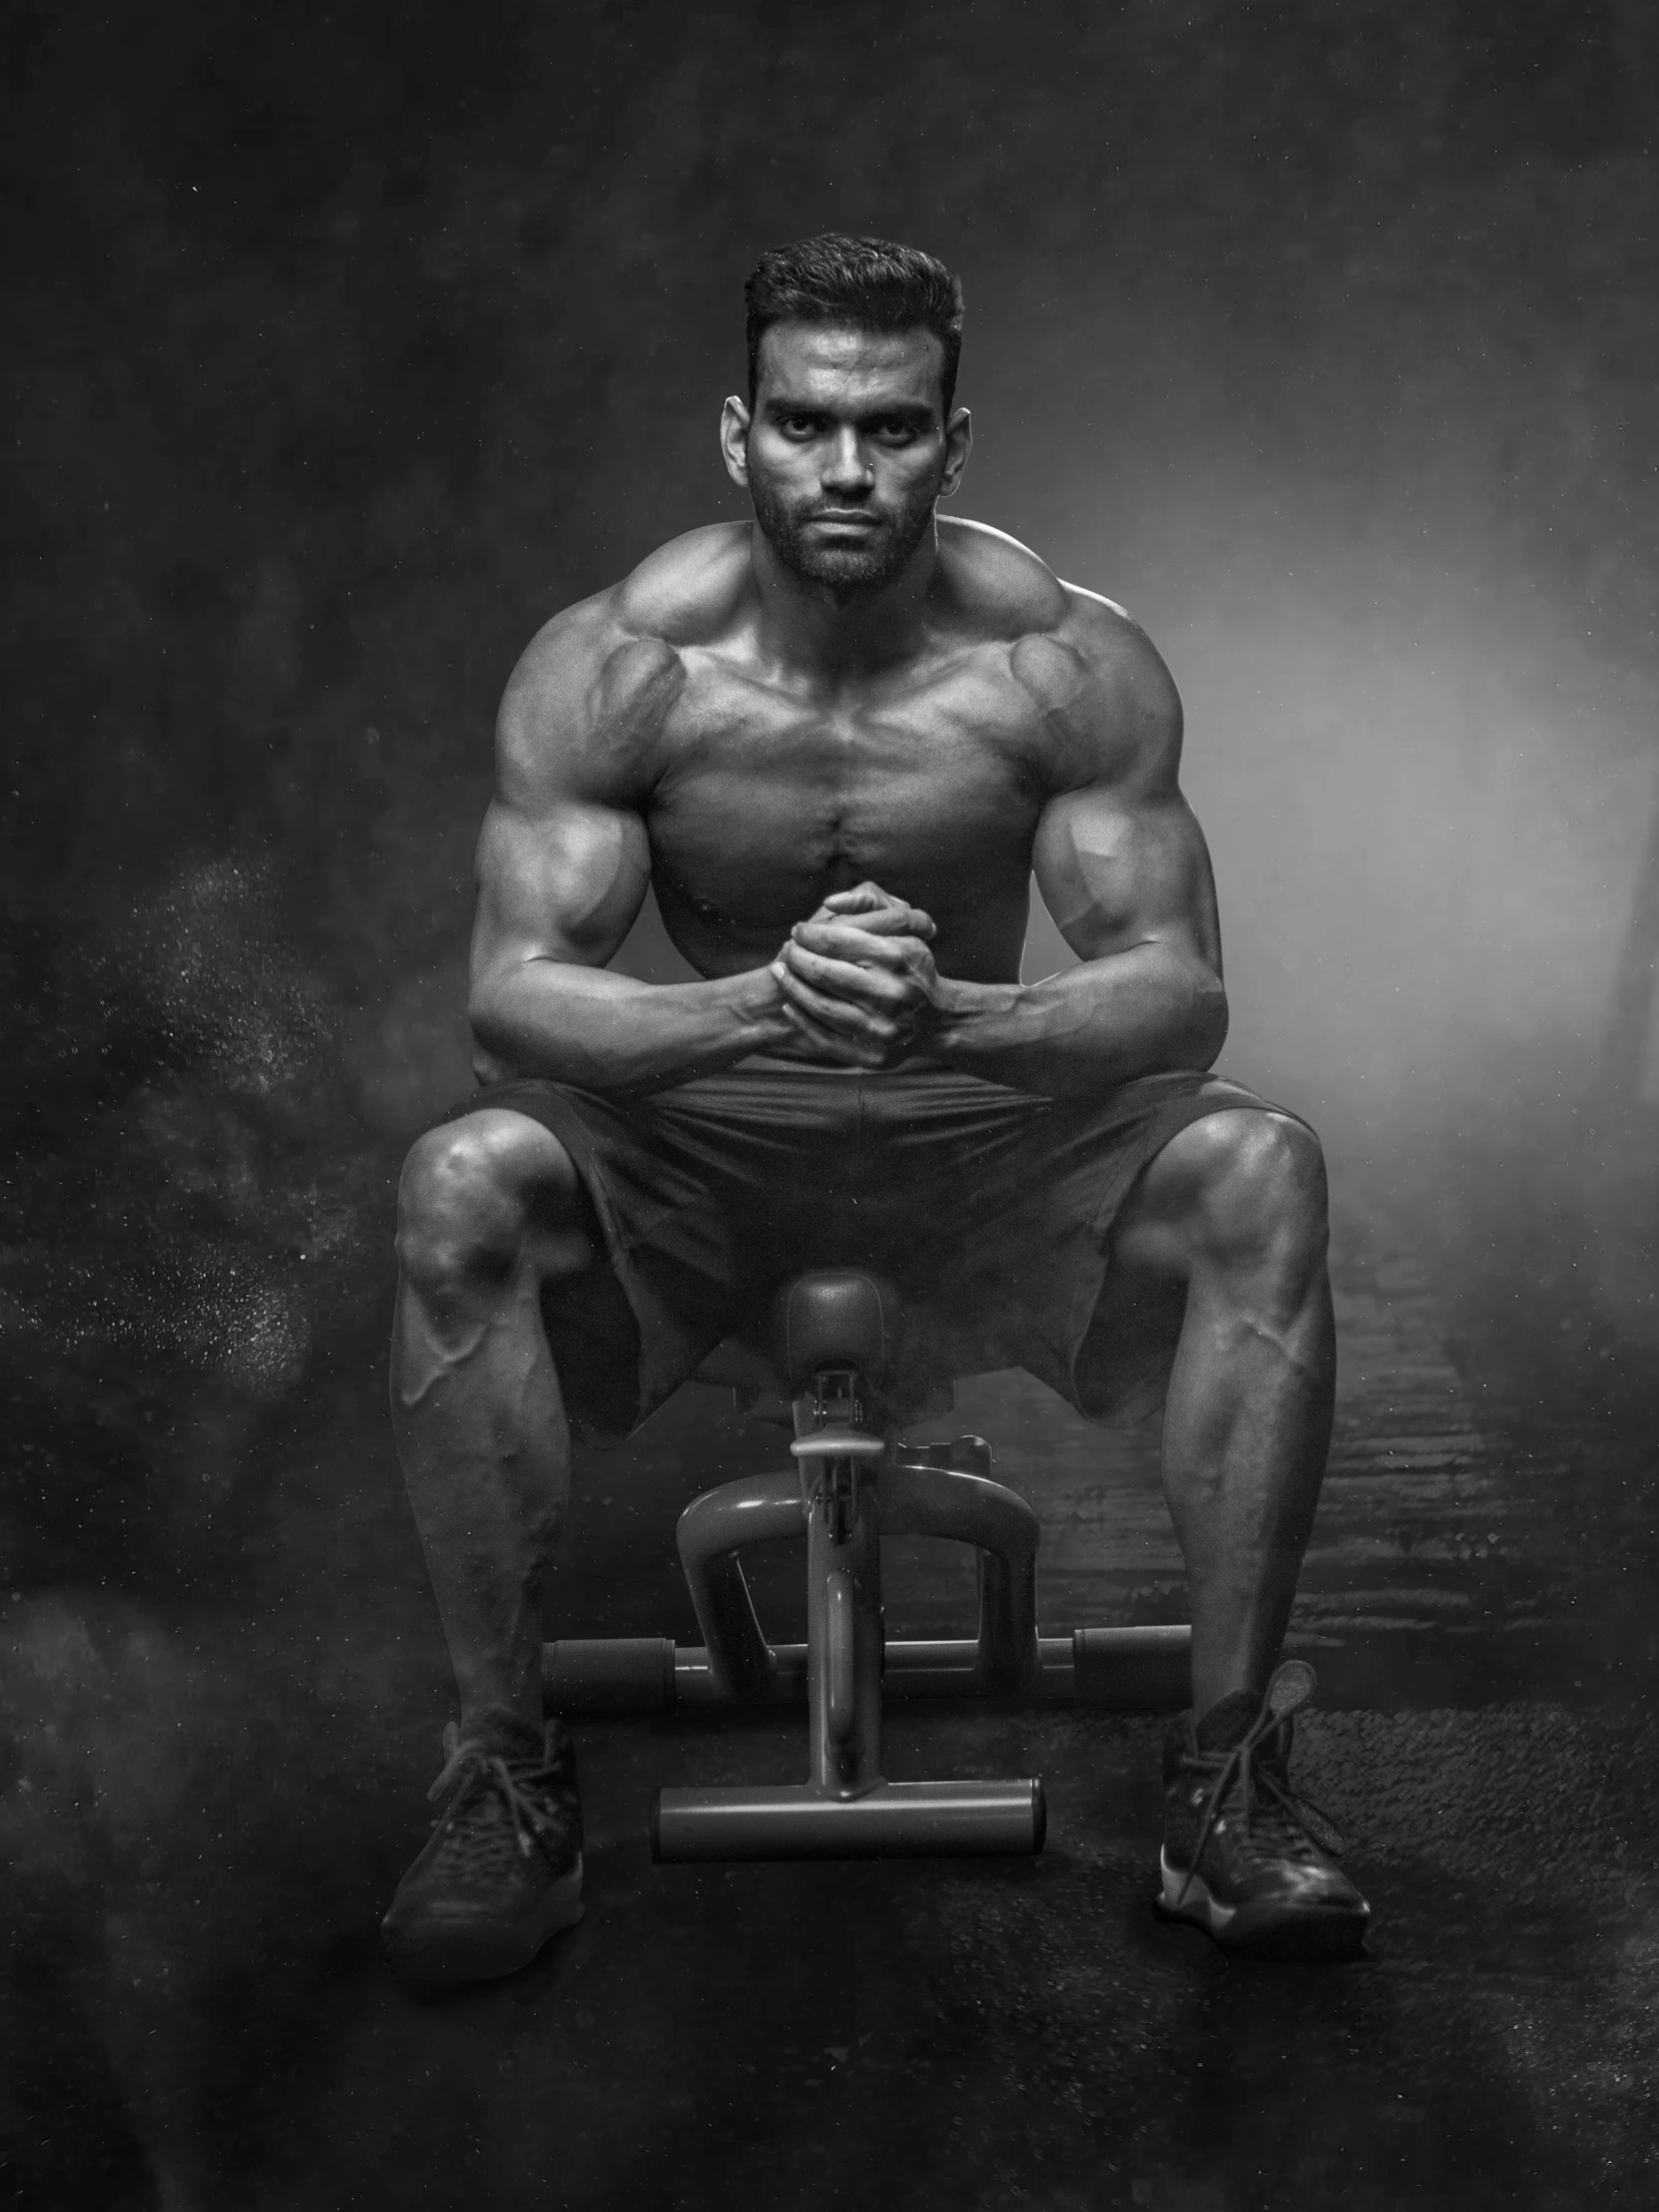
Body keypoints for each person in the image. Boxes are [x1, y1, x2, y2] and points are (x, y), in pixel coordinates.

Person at [379, 233, 1370, 1985]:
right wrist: (754, 1000)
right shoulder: (617, 667)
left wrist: (960, 1012)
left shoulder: (1062, 665)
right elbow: (507, 1000)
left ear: (955, 442)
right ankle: (503, 1777)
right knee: (459, 1183)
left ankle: (1224, 1780)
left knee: (1262, 1173)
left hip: (976, 1137)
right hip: (709, 1143)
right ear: (736, 432)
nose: (847, 468)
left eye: (893, 429)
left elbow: (1177, 991)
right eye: (807, 422)